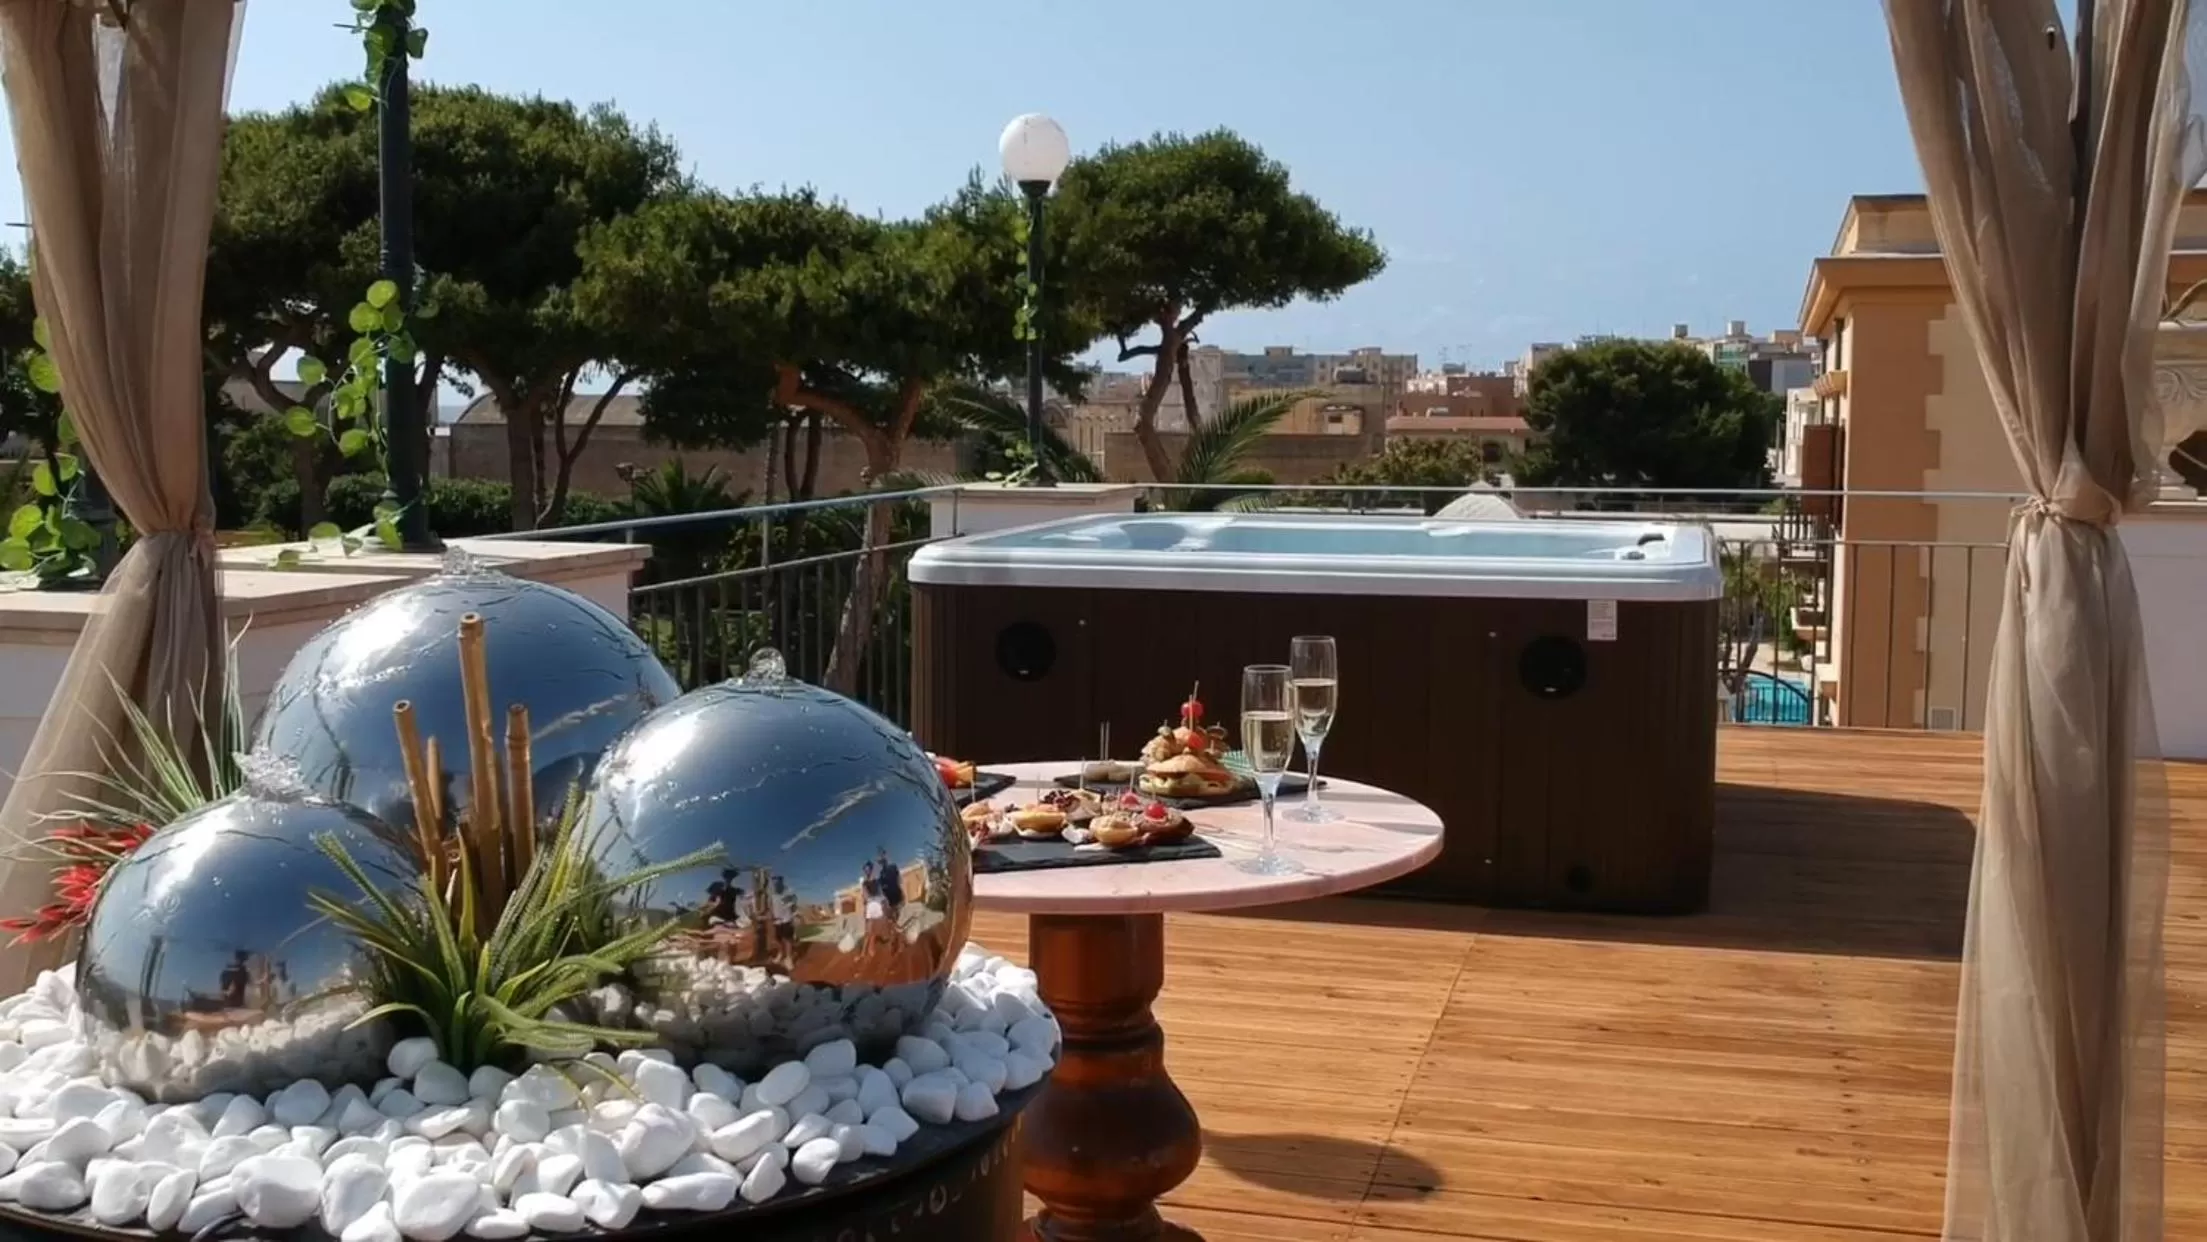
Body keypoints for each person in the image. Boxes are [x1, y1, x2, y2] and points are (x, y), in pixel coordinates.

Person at [874, 848, 906, 941]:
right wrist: (884, 900)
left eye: (884, 858)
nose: (883, 861)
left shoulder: (893, 867)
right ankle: (892, 934)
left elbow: (899, 880)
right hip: (890, 900)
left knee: (897, 915)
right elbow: (881, 889)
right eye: (881, 861)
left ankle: (898, 934)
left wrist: (903, 893)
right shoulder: (881, 875)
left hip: (898, 896)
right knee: (892, 917)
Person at [769, 876, 798, 970]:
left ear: (781, 882)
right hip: (776, 921)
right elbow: (771, 905)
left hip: (787, 919)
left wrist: (794, 917)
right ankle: (781, 953)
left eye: (777, 882)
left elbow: (793, 905)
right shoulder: (771, 894)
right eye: (774, 883)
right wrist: (771, 916)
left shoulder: (788, 891)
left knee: (788, 939)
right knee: (778, 939)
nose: (775, 884)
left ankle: (788, 959)